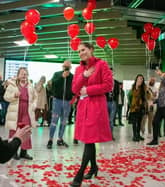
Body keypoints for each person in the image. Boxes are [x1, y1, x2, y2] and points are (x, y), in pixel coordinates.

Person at [70, 43, 113, 187]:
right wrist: (84, 75)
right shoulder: (78, 69)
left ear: (91, 50)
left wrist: (88, 90)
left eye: (83, 50)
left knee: (89, 139)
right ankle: (94, 167)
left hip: (96, 107)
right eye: (79, 51)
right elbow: (74, 89)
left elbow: (108, 85)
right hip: (83, 108)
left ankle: (80, 174)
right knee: (89, 139)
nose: (81, 53)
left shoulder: (102, 64)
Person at [4, 67, 37, 160]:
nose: (24, 75)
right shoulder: (12, 85)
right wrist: (14, 96)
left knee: (26, 130)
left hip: (27, 110)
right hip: (15, 110)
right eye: (22, 73)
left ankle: (23, 152)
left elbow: (35, 98)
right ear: (18, 75)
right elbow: (6, 97)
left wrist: (34, 105)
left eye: (26, 73)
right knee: (14, 130)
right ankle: (13, 151)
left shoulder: (30, 86)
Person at [47, 60, 73, 149]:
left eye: (68, 67)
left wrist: (74, 97)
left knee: (64, 121)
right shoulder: (57, 74)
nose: (66, 68)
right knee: (54, 121)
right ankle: (50, 139)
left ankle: (60, 139)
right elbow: (53, 84)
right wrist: (62, 77)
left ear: (71, 67)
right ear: (62, 66)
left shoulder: (72, 76)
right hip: (57, 100)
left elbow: (74, 88)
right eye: (65, 66)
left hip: (67, 101)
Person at [147, 70, 165, 149]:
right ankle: (155, 139)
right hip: (160, 107)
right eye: (163, 76)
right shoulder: (161, 86)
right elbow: (161, 98)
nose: (164, 77)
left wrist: (161, 76)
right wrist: (154, 101)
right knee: (155, 122)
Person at [128, 74, 148, 141]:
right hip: (134, 107)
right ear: (136, 79)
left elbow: (145, 97)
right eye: (139, 78)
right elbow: (129, 97)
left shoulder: (144, 88)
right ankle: (134, 136)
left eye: (142, 79)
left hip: (141, 107)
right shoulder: (133, 87)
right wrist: (131, 105)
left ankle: (138, 135)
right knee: (134, 122)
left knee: (139, 122)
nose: (140, 80)